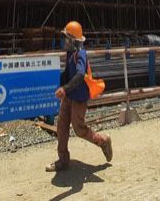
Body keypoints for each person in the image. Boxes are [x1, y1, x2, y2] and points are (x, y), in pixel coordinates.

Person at [46, 21, 112, 172]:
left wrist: (65, 88)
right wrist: (55, 81)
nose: (64, 41)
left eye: (66, 38)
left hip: (78, 98)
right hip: (69, 95)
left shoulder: (80, 53)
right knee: (61, 127)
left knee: (79, 129)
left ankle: (103, 141)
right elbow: (67, 73)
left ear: (72, 39)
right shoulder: (70, 52)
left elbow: (80, 74)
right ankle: (63, 160)